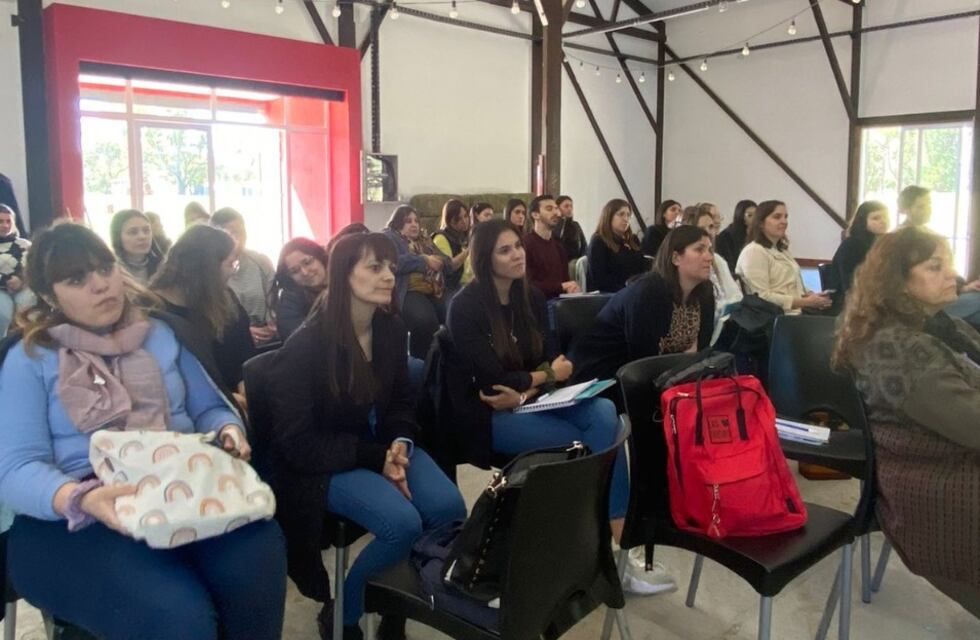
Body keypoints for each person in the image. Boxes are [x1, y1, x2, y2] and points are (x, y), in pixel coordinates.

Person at [0, 223, 286, 639]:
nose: (101, 285)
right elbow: (14, 468)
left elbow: (208, 408)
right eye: (77, 279)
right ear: (48, 295)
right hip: (75, 513)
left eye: (105, 268)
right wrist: (81, 498)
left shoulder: (163, 333)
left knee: (257, 550)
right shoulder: (31, 358)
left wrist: (226, 428)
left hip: (176, 485)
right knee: (178, 617)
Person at [446, 219, 664, 594]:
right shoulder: (464, 307)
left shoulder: (529, 297)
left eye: (518, 245)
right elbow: (492, 382)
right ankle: (601, 547)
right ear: (484, 258)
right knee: (587, 442)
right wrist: (539, 378)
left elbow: (555, 362)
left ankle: (606, 540)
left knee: (604, 414)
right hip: (486, 416)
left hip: (530, 403)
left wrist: (530, 387)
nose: (518, 254)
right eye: (505, 249)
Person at [269, 232, 466, 639]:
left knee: (448, 508)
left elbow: (398, 403)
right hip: (325, 460)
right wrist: (376, 457)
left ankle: (392, 602)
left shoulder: (389, 328)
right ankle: (343, 612)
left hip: (377, 444)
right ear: (344, 275)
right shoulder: (306, 345)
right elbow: (297, 443)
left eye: (391, 267)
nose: (389, 276)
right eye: (374, 268)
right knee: (402, 523)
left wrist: (399, 443)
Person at [832, 227, 980, 619]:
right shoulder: (898, 348)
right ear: (899, 281)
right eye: (935, 267)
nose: (953, 274)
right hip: (936, 490)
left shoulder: (937, 327)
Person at [570, 226, 716, 383]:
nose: (709, 257)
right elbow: (643, 362)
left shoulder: (705, 292)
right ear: (675, 258)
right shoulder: (648, 292)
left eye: (710, 250)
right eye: (699, 250)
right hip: (603, 373)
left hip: (657, 375)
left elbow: (702, 352)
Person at [151, 225, 257, 394]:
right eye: (231, 264)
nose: (232, 272)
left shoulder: (225, 298)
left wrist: (245, 386)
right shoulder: (154, 311)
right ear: (208, 267)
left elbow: (245, 354)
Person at [736, 200, 832, 315]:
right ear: (761, 223)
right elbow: (762, 297)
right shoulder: (754, 251)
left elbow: (793, 285)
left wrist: (813, 296)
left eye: (786, 217)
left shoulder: (782, 250)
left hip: (795, 312)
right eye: (777, 217)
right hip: (775, 318)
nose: (784, 222)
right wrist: (806, 302)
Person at [384, 205, 450, 359]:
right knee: (425, 321)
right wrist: (423, 260)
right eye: (408, 221)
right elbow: (392, 262)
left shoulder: (425, 240)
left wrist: (440, 261)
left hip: (432, 288)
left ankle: (446, 361)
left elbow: (447, 261)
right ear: (397, 222)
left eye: (416, 221)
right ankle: (422, 365)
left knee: (456, 310)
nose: (414, 225)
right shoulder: (389, 237)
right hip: (407, 290)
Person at [210, 208, 277, 346]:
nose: (237, 239)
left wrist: (272, 324)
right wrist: (242, 331)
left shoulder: (260, 261)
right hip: (231, 339)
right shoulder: (209, 270)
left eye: (239, 232)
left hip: (267, 337)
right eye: (229, 233)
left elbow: (273, 299)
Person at [683, 205, 743, 343]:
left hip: (723, 325)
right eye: (702, 228)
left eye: (711, 227)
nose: (709, 232)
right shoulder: (687, 262)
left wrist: (726, 309)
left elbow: (735, 295)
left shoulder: (718, 260)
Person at [830, 200, 889, 302]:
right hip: (848, 302)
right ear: (863, 221)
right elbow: (850, 284)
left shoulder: (886, 244)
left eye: (886, 217)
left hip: (875, 298)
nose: (883, 221)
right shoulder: (851, 245)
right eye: (876, 218)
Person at [271, 238, 328, 341]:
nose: (305, 272)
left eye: (307, 262)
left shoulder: (344, 282)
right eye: (295, 271)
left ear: (320, 257)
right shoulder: (289, 299)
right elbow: (299, 341)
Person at [523, 195, 580, 298]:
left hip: (560, 302)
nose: (556, 213)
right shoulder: (526, 244)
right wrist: (561, 286)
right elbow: (527, 285)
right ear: (535, 215)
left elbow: (565, 281)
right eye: (549, 209)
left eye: (556, 209)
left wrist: (572, 288)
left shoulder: (559, 247)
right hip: (537, 304)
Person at [586, 198, 648, 293]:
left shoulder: (633, 239)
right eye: (621, 214)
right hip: (609, 295)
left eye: (628, 215)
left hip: (633, 292)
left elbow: (643, 269)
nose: (626, 218)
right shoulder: (599, 241)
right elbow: (599, 279)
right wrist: (629, 290)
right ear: (609, 216)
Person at [0, 204, 34, 336]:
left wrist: (21, 280)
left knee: (30, 311)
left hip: (23, 286)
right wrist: (6, 281)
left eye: (8, 221)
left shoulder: (25, 244)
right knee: (3, 314)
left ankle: (30, 344)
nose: (5, 225)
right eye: (1, 221)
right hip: (1, 289)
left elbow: (34, 267)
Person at [109, 209, 164, 285]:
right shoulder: (111, 271)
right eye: (133, 232)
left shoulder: (162, 267)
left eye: (146, 230)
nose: (142, 237)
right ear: (117, 237)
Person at [432, 199, 471, 297]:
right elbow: (449, 267)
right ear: (449, 220)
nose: (464, 221)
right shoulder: (440, 238)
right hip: (451, 286)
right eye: (458, 219)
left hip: (471, 283)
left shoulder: (466, 236)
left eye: (466, 216)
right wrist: (469, 249)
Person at [715, 199, 756, 276]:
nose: (755, 219)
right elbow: (730, 266)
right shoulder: (726, 237)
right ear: (741, 217)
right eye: (750, 215)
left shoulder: (759, 236)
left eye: (756, 215)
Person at [555, 195, 587, 261]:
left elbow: (584, 245)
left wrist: (581, 259)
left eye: (571, 206)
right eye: (566, 206)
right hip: (559, 261)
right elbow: (558, 239)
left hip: (575, 262)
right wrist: (561, 220)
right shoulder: (554, 225)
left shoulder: (575, 225)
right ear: (558, 208)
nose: (569, 209)